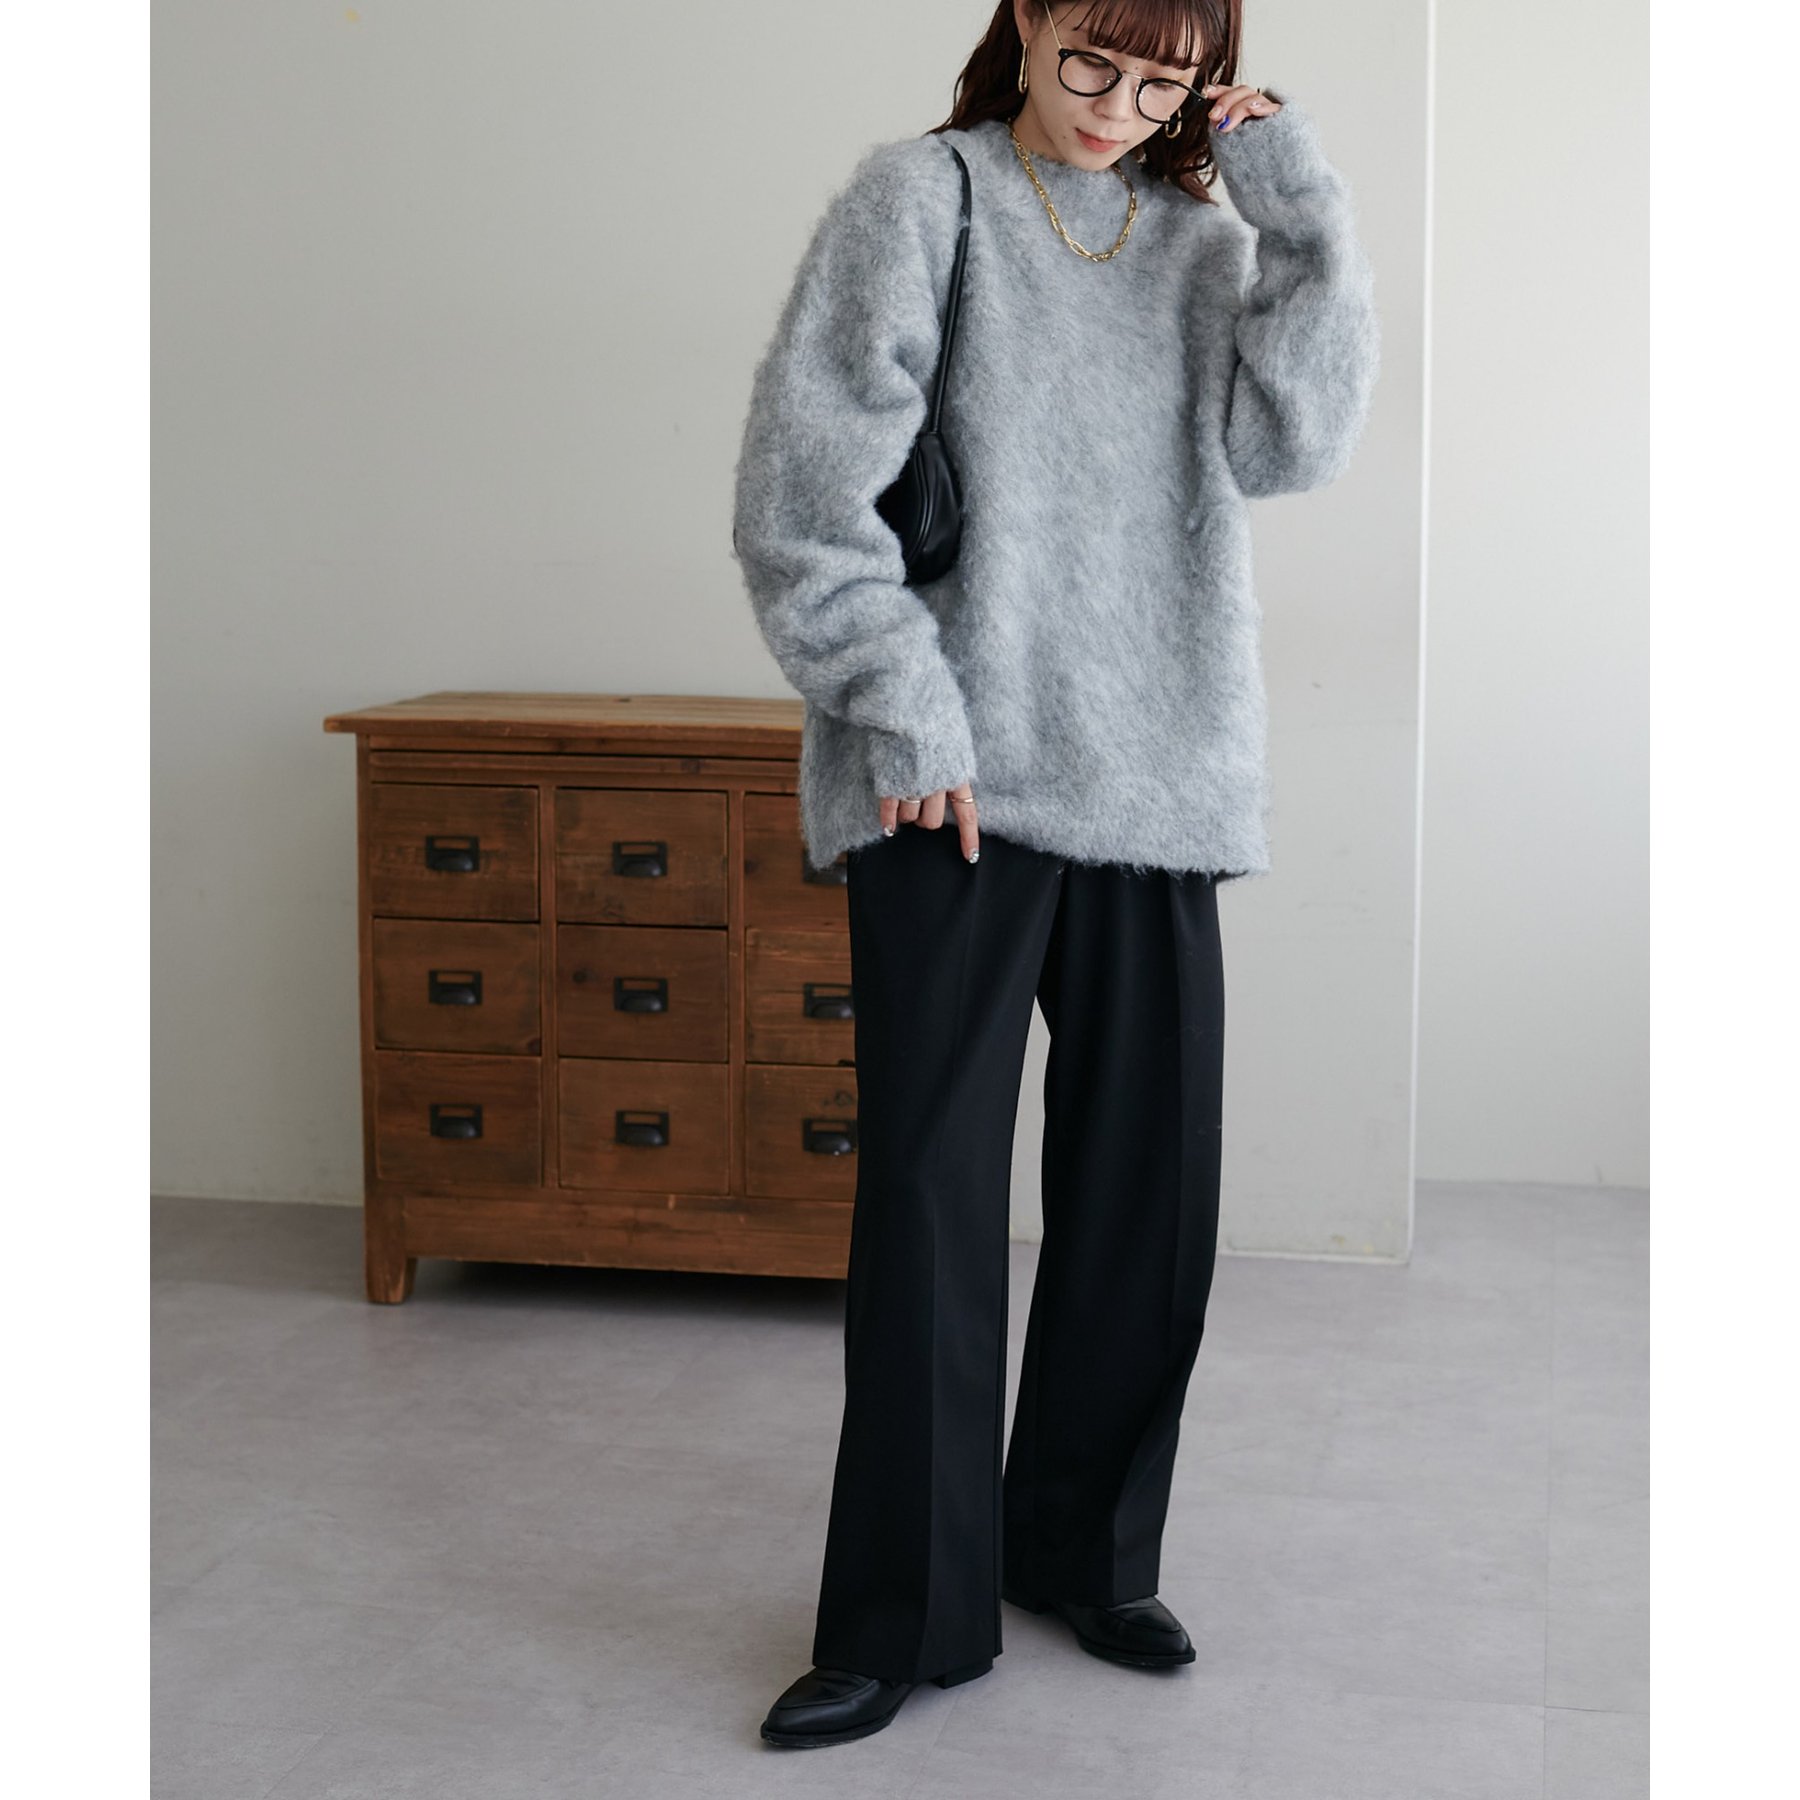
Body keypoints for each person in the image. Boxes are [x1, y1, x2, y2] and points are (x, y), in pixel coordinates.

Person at [730, 0, 1379, 1750]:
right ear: (1025, 19)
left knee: (1148, 1199)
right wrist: (906, 712)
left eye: (1163, 81)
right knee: (929, 1205)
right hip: (950, 780)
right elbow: (805, 498)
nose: (1116, 105)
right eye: (1093, 58)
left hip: (1160, 776)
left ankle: (1083, 1549)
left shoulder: (1203, 248)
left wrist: (1298, 205)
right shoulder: (919, 198)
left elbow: (1294, 448)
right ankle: (902, 1615)